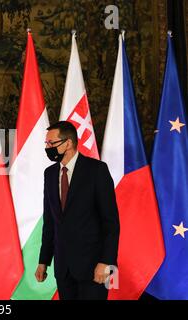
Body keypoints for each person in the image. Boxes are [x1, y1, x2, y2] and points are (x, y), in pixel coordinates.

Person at [35, 121, 120, 300]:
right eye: (46, 144)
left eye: (52, 143)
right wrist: (43, 261)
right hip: (63, 268)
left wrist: (106, 262)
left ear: (68, 143)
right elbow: (50, 221)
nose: (47, 148)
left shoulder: (97, 170)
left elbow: (110, 222)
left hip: (94, 267)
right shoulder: (49, 174)